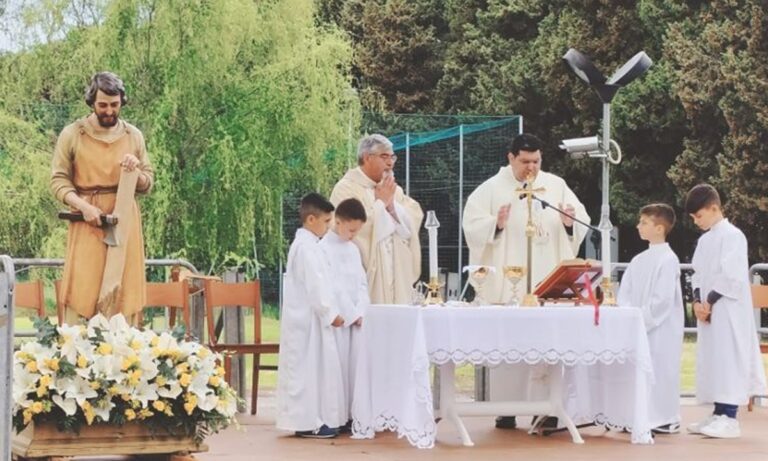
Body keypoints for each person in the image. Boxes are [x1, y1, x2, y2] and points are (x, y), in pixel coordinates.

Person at [462, 132, 590, 429]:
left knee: (545, 347)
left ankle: (545, 409)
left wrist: (570, 225)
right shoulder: (491, 189)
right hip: (510, 285)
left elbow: (579, 219)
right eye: (524, 162)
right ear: (511, 158)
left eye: (536, 161)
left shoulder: (555, 186)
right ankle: (505, 408)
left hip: (546, 282)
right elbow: (471, 225)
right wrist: (496, 224)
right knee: (509, 347)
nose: (531, 168)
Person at [51, 71, 153, 324]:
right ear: (92, 103)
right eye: (103, 105)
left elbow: (148, 183)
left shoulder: (134, 136)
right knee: (83, 285)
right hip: (88, 220)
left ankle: (127, 352)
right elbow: (58, 180)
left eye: (114, 105)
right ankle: (77, 349)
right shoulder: (73, 134)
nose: (109, 110)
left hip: (124, 220)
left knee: (124, 287)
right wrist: (83, 206)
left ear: (122, 102)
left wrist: (135, 170)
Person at [684, 184, 767, 439]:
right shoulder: (705, 239)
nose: (697, 221)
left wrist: (709, 300)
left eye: (699, 216)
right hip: (709, 312)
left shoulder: (733, 235)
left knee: (728, 357)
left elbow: (731, 275)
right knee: (713, 359)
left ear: (713, 208)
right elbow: (696, 273)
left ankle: (730, 416)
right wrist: (697, 301)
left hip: (727, 309)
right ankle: (718, 412)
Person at [276, 193, 346, 438]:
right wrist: (331, 313)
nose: (329, 228)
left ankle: (320, 416)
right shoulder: (305, 248)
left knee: (315, 370)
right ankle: (306, 422)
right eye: (327, 222)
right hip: (305, 322)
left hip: (311, 321)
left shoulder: (310, 246)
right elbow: (316, 286)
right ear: (311, 219)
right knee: (305, 372)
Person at [330, 134, 423, 304]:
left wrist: (392, 207)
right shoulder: (346, 188)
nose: (390, 162)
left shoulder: (393, 189)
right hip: (364, 278)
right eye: (384, 157)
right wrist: (381, 204)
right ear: (367, 158)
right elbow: (351, 228)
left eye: (392, 157)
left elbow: (414, 214)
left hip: (395, 272)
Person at [617, 203, 684, 434]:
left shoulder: (668, 259)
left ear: (659, 228)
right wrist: (628, 316)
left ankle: (663, 417)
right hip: (638, 325)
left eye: (644, 222)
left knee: (661, 370)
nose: (638, 226)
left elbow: (663, 300)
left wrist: (641, 320)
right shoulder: (638, 260)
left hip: (661, 328)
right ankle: (637, 415)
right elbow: (624, 292)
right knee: (636, 372)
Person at [319, 198, 370, 432]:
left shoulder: (352, 249)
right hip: (339, 320)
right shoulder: (323, 249)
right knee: (338, 368)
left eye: (357, 231)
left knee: (356, 367)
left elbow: (361, 282)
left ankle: (354, 414)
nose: (353, 235)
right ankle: (336, 416)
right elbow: (333, 286)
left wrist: (361, 310)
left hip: (355, 320)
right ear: (338, 222)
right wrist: (350, 313)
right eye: (351, 230)